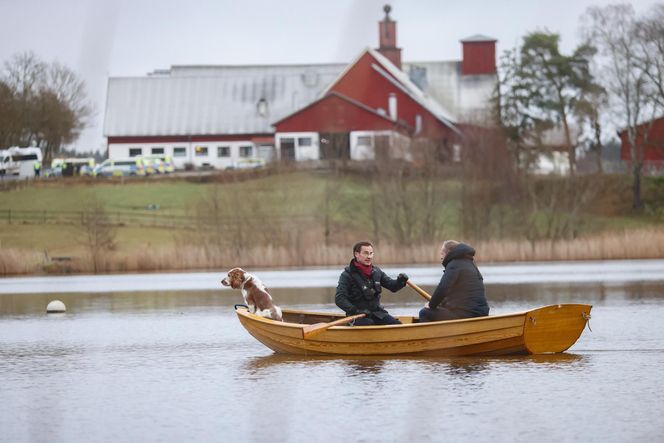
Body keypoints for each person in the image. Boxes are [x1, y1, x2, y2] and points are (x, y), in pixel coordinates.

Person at [335, 241, 409, 326]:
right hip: (357, 316)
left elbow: (393, 287)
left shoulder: (377, 271)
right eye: (366, 253)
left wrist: (400, 281)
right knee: (369, 323)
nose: (369, 256)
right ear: (356, 254)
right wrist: (355, 311)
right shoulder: (347, 275)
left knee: (397, 325)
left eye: (371, 253)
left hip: (378, 314)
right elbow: (339, 299)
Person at [418, 240, 489, 322]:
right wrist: (440, 304)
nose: (441, 257)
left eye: (442, 253)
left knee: (424, 313)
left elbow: (443, 288)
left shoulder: (454, 264)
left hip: (467, 314)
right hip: (481, 313)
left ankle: (430, 335)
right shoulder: (471, 264)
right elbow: (454, 294)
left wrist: (431, 305)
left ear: (448, 253)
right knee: (439, 309)